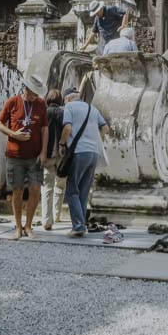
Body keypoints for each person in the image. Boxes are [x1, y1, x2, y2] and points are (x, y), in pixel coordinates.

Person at [0, 73, 48, 240]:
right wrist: (14, 134)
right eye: (33, 94)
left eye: (37, 94)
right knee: (17, 190)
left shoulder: (41, 104)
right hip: (15, 155)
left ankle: (29, 225)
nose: (35, 97)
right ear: (26, 89)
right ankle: (18, 227)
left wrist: (44, 152)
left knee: (35, 189)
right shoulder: (13, 102)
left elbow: (44, 129)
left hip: (35, 156)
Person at [58, 88, 109, 237]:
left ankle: (79, 226)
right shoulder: (92, 108)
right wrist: (95, 139)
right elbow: (105, 128)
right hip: (94, 152)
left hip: (79, 152)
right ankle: (81, 224)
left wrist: (62, 143)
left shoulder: (69, 107)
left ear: (67, 98)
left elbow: (67, 127)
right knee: (83, 191)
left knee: (72, 190)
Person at [40, 88, 66, 230]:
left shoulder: (43, 113)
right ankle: (57, 215)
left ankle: (46, 220)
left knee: (47, 187)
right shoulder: (64, 113)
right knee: (60, 185)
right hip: (62, 155)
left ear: (47, 99)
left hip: (48, 154)